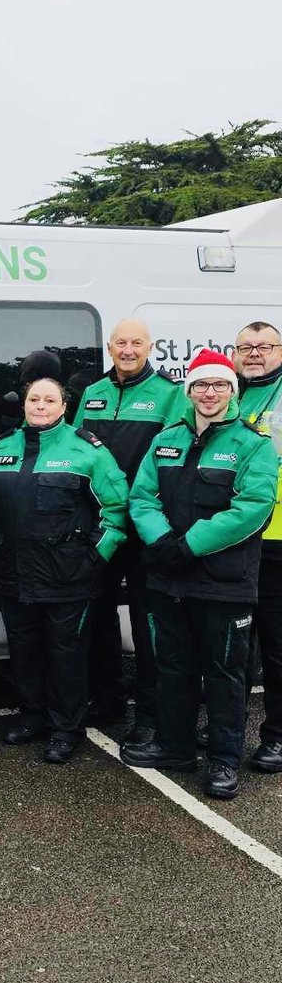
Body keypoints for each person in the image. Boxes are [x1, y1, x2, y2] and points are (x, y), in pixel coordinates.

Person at [121, 349, 276, 799]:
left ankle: (224, 761)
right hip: (170, 577)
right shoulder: (165, 440)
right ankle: (176, 748)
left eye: (219, 385)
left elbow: (253, 508)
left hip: (224, 582)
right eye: (201, 385)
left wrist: (190, 544)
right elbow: (141, 497)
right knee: (173, 667)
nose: (210, 393)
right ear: (189, 391)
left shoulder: (253, 445)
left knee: (225, 675)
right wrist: (164, 542)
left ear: (232, 391)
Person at [0, 377, 128, 763]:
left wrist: (94, 557)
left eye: (49, 400)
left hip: (68, 578)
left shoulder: (87, 451)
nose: (40, 406)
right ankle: (32, 717)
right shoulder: (0, 449)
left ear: (64, 407)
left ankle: (66, 728)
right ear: (24, 404)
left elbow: (117, 510)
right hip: (14, 573)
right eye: (34, 399)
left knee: (66, 656)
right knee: (23, 651)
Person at [73, 319, 185, 743]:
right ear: (109, 346)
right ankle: (107, 697)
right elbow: (78, 449)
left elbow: (171, 462)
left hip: (143, 528)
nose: (128, 349)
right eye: (121, 342)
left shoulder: (170, 394)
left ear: (150, 346)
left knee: (146, 622)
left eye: (137, 342)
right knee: (97, 614)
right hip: (102, 525)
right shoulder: (93, 393)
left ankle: (151, 714)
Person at [233, 321, 282, 773]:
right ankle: (230, 724)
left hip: (279, 541)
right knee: (236, 645)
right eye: (245, 347)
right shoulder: (228, 394)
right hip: (235, 540)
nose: (254, 354)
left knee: (277, 646)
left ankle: (278, 737)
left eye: (264, 346)